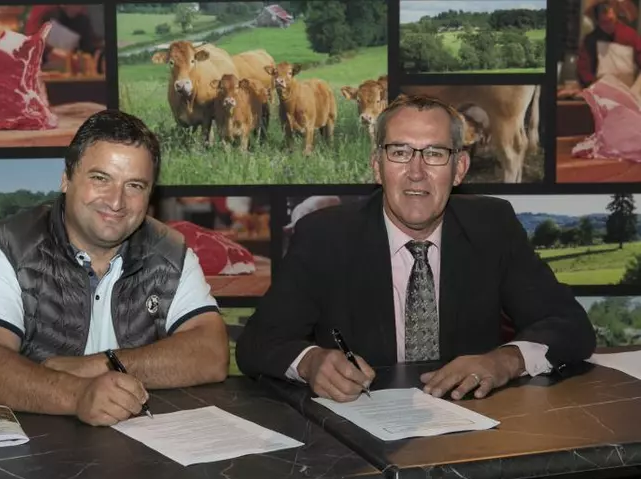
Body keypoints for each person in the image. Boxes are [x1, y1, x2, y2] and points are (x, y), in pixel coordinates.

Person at [235, 94, 596, 403]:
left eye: (435, 153)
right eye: (400, 152)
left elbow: (570, 324)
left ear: (460, 169)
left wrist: (503, 362)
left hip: (472, 433)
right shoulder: (325, 235)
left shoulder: (493, 225)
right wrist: (311, 361)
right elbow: (257, 342)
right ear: (377, 167)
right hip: (361, 442)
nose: (417, 171)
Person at [0, 109, 229, 426]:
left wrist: (99, 365)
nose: (116, 202)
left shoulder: (170, 251)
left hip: (132, 457)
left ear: (150, 194)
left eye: (135, 186)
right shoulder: (11, 246)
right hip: (25, 449)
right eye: (100, 179)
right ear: (66, 179)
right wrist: (79, 395)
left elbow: (212, 352)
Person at [577, 0, 641, 87]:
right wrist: (595, 86)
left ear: (615, 15)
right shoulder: (590, 40)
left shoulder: (630, 35)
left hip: (628, 92)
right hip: (600, 93)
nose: (608, 25)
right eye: (604, 22)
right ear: (597, 21)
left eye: (610, 21)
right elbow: (584, 70)